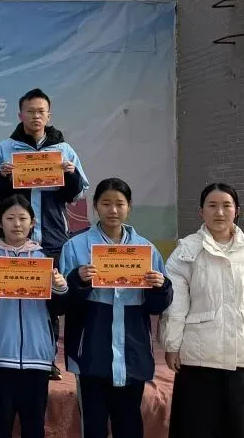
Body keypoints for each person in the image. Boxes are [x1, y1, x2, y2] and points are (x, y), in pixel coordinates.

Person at [160, 183, 244, 438]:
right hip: (198, 357)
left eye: (226, 205)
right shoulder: (186, 251)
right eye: (212, 205)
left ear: (236, 211)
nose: (219, 212)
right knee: (197, 428)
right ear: (201, 212)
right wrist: (172, 345)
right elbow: (176, 303)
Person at [0, 88, 89, 380]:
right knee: (12, 296)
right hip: (14, 240)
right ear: (20, 115)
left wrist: (70, 174)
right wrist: (2, 175)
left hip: (52, 236)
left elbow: (78, 192)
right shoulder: (5, 149)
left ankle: (46, 358)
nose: (35, 116)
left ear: (49, 115)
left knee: (49, 299)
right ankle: (8, 353)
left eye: (41, 111)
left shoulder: (64, 150)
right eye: (30, 111)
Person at [59, 178, 172, 438]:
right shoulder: (75, 247)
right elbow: (62, 302)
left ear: (129, 207)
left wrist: (160, 286)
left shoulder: (146, 250)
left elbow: (157, 306)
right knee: (93, 426)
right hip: (90, 352)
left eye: (119, 204)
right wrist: (77, 280)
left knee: (129, 423)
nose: (113, 210)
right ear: (95, 206)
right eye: (106, 203)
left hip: (133, 351)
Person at [0, 194, 68, 438]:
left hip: (38, 355)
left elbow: (59, 309)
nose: (17, 224)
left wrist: (60, 288)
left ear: (33, 222)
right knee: (0, 427)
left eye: (23, 218)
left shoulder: (47, 259)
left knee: (34, 427)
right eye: (10, 218)